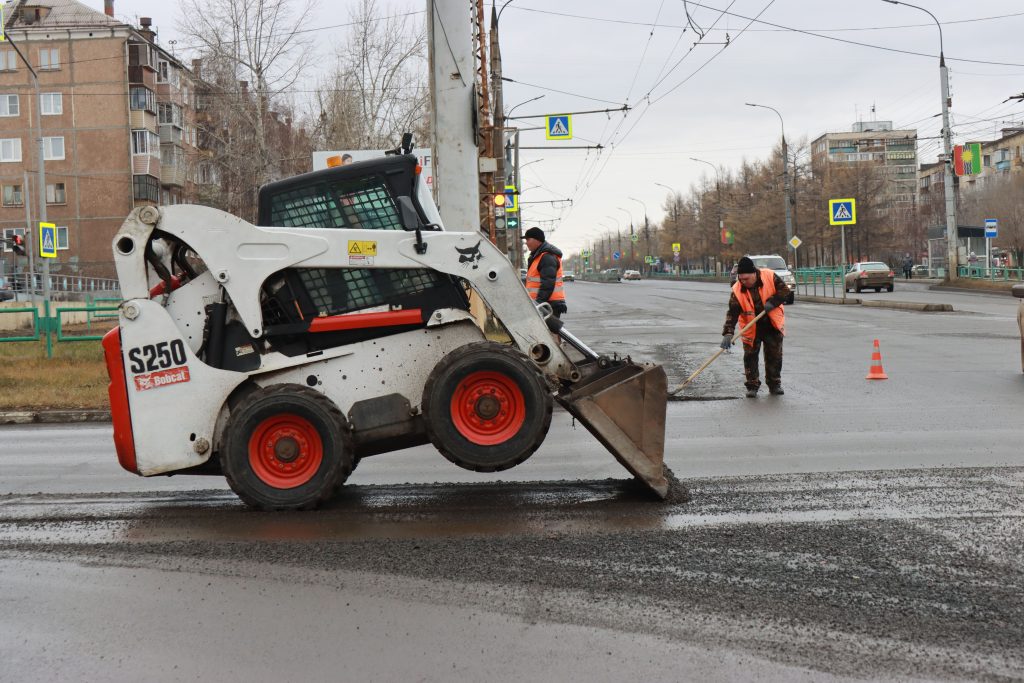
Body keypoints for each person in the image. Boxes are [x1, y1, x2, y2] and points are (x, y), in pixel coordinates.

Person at [720, 256, 791, 398]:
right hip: (751, 327)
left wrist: (774, 301)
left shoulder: (769, 276)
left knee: (774, 356)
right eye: (741, 279)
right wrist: (728, 333)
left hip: (772, 324)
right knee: (750, 357)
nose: (743, 282)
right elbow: (732, 313)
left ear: (754, 274)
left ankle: (774, 384)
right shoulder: (737, 289)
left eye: (746, 279)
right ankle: (752, 386)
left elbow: (785, 291)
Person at [522, 227, 567, 318]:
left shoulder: (547, 257)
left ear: (537, 240)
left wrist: (539, 304)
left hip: (548, 304)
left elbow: (548, 283)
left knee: (545, 332)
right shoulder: (538, 256)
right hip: (544, 303)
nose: (526, 242)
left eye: (528, 239)